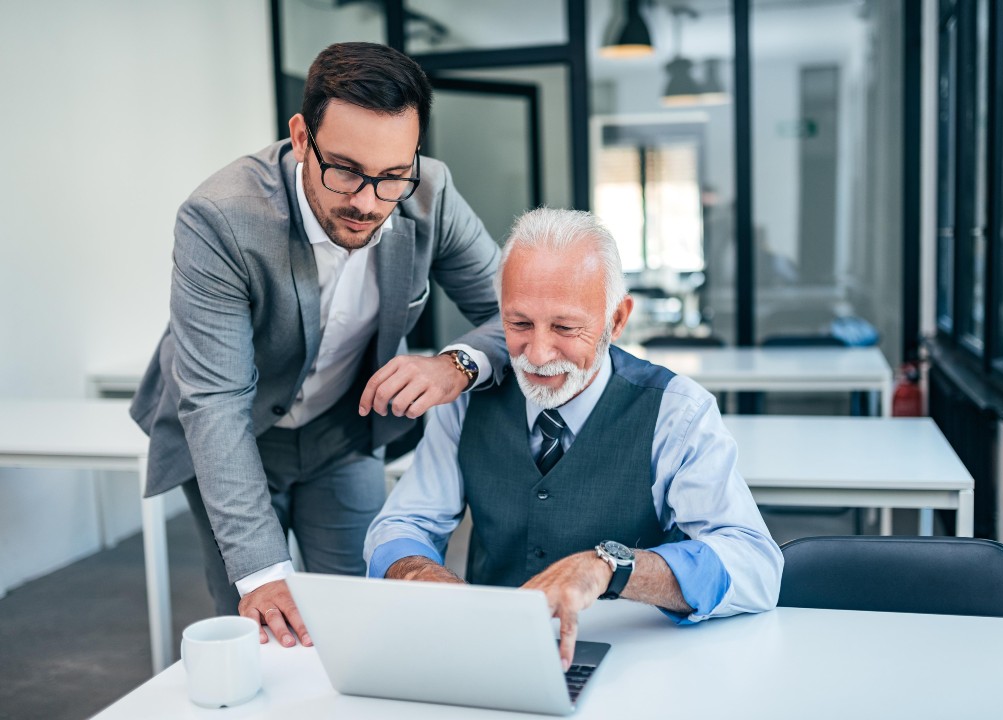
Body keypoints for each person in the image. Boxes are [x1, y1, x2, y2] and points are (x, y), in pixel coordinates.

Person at [129, 42, 507, 649]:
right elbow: (218, 404)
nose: (367, 201)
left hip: (341, 429)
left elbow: (508, 313)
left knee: (361, 612)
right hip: (235, 432)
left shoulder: (430, 192)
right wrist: (265, 575)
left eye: (391, 177)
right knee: (260, 621)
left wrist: (457, 364)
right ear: (302, 137)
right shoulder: (220, 219)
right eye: (347, 170)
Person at [365, 208, 783, 671]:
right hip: (495, 659)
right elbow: (400, 526)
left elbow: (756, 566)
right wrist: (423, 576)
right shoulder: (465, 404)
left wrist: (613, 567)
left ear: (617, 319)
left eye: (565, 328)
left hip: (643, 664)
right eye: (519, 324)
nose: (538, 354)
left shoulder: (677, 411)